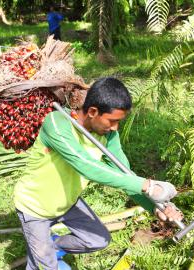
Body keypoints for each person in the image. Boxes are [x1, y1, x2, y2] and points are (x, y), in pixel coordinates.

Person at [14, 77, 183, 270]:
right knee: (45, 267)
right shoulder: (57, 123)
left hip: (68, 202)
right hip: (35, 207)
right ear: (93, 111)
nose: (115, 127)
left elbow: (125, 175)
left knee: (98, 239)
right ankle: (41, 260)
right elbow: (84, 164)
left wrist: (155, 207)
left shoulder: (109, 135)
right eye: (112, 121)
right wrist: (148, 185)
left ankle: (50, 246)